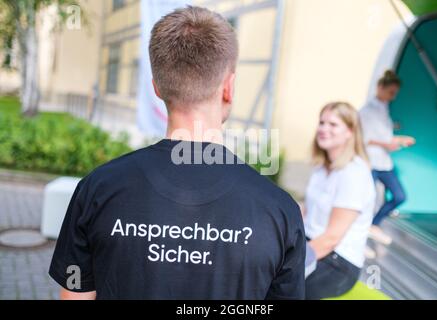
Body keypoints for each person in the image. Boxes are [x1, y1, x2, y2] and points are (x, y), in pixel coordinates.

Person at [49, 6, 306, 300]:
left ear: (156, 88)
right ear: (229, 88)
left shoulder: (97, 189)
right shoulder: (279, 211)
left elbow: (75, 294)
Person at [303, 102, 375, 300]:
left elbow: (331, 239)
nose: (323, 129)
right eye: (322, 122)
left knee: (283, 287)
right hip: (311, 243)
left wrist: (291, 266)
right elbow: (306, 212)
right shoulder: (321, 168)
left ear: (350, 132)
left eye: (333, 124)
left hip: (338, 261)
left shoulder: (354, 173)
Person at [359, 70, 416, 246]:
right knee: (364, 201)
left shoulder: (384, 108)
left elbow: (384, 132)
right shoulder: (367, 110)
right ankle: (360, 234)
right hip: (371, 161)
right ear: (380, 88)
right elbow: (367, 137)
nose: (392, 97)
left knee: (399, 196)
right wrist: (395, 141)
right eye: (391, 92)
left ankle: (373, 224)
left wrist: (394, 133)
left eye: (394, 94)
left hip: (384, 162)